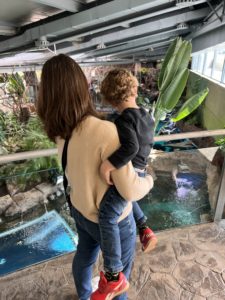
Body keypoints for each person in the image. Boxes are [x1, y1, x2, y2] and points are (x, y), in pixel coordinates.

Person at [37, 54, 154, 300]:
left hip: (80, 211)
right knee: (120, 280)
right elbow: (131, 191)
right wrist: (150, 179)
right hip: (111, 221)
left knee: (84, 257)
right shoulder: (107, 131)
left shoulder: (60, 133)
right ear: (82, 87)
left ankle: (84, 296)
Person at [93, 69, 157, 298]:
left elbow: (131, 148)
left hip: (129, 175)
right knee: (126, 200)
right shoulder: (147, 116)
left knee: (107, 215)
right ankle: (145, 228)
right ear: (136, 89)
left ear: (110, 99)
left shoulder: (122, 121)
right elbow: (143, 145)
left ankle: (113, 276)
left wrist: (107, 165)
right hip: (140, 173)